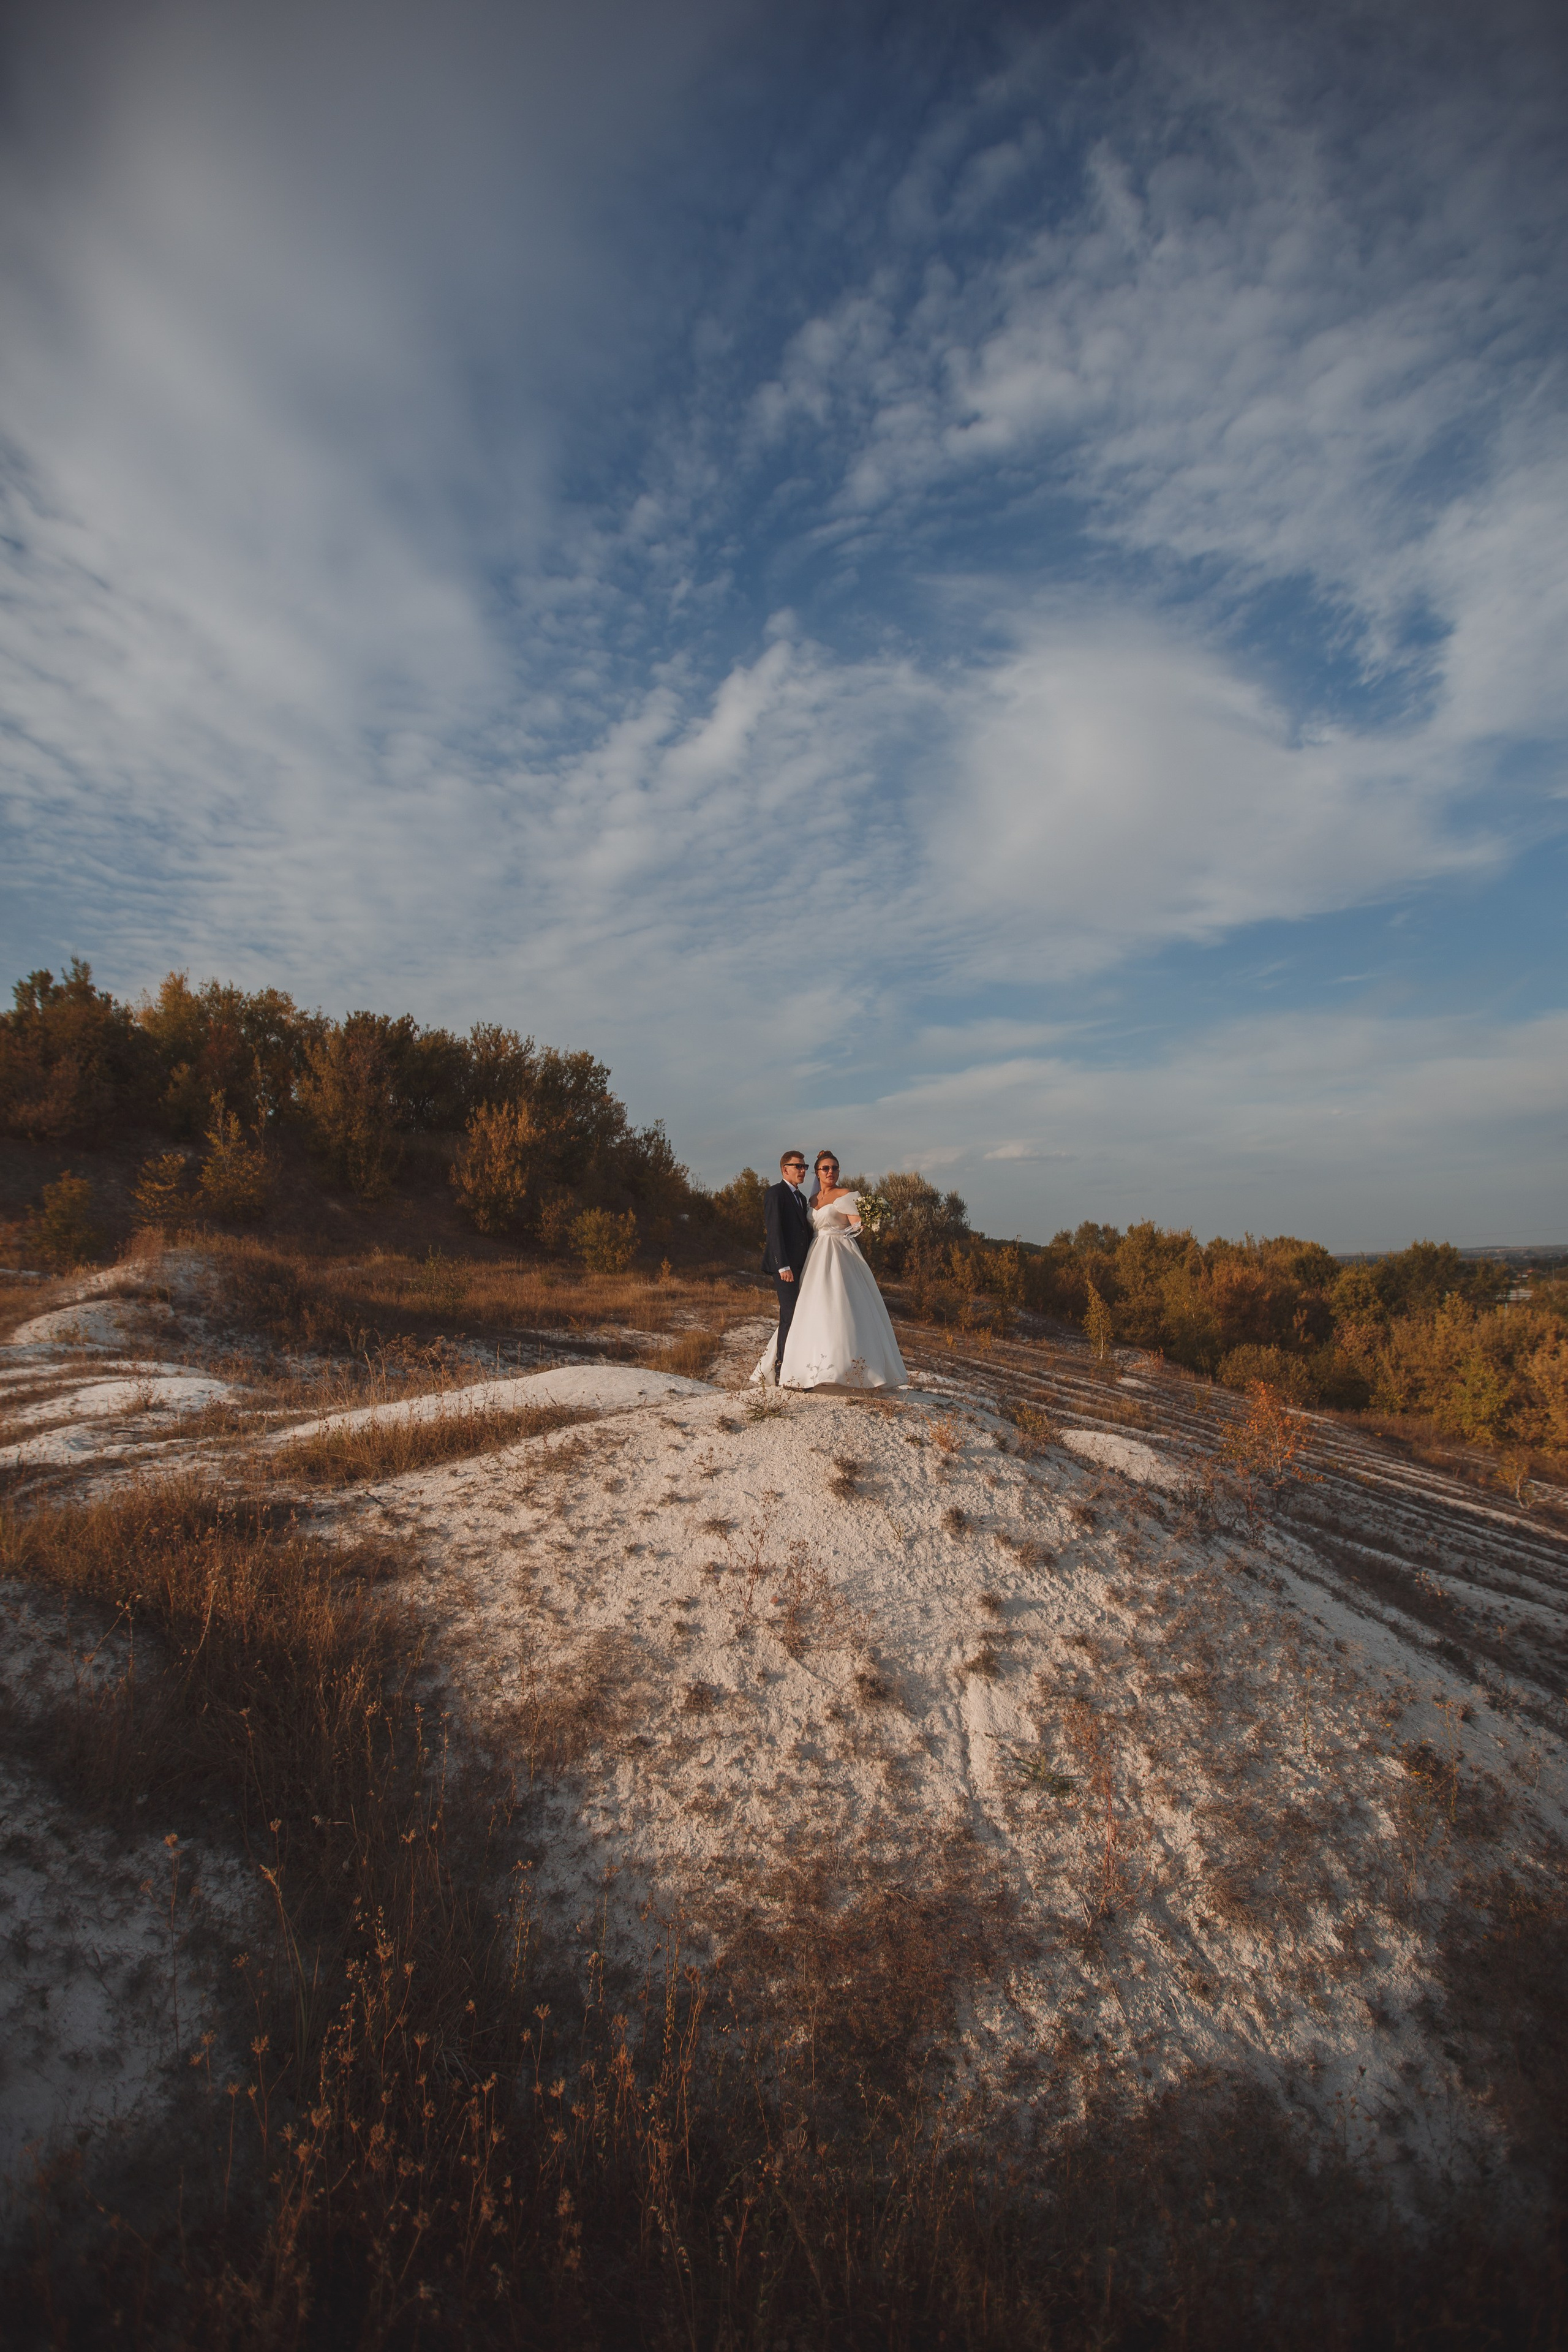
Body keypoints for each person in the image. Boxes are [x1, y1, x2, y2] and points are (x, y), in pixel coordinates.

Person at [753, 1150, 907, 1392]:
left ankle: (847, 1368)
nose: (831, 1172)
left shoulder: (846, 1195)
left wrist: (862, 1222)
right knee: (809, 1309)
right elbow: (783, 1230)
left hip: (838, 1253)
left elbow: (857, 1225)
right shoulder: (810, 1200)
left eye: (835, 1168)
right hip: (813, 1258)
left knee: (840, 1306)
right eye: (825, 1168)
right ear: (817, 1172)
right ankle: (799, 1368)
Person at [760, 1148, 815, 1383]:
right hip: (785, 1268)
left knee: (801, 1316)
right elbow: (774, 1232)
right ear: (786, 1169)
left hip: (803, 1267)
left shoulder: (801, 1198)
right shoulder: (776, 1193)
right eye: (798, 1166)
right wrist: (783, 1266)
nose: (803, 1170)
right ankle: (783, 1369)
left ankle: (798, 1366)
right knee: (790, 1316)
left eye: (805, 1166)